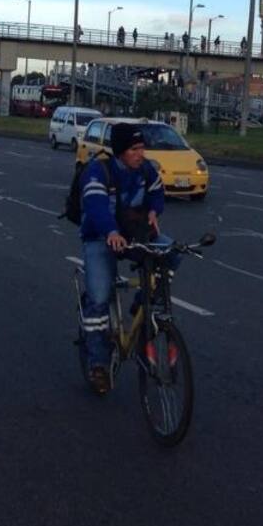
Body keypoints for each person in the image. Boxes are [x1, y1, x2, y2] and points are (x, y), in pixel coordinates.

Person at [78, 123, 179, 394]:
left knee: (172, 253)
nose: (140, 153)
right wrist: (110, 231)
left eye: (142, 147)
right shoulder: (99, 171)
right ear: (121, 151)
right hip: (101, 236)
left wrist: (154, 211)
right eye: (135, 149)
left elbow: (157, 192)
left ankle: (141, 305)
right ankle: (98, 363)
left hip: (134, 234)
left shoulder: (146, 169)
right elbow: (96, 206)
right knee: (99, 298)